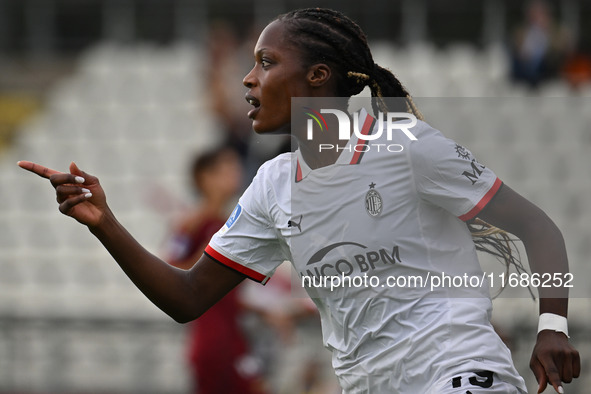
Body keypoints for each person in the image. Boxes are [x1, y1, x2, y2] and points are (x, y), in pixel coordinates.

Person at [18, 8, 580, 394]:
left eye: (265, 63)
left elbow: (536, 226)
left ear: (316, 77)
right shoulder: (272, 184)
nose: (248, 79)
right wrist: (103, 222)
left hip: (457, 372)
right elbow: (188, 296)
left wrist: (553, 325)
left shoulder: (407, 147)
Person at [162, 146, 267, 394]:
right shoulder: (191, 225)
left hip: (235, 337)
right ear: (204, 177)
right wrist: (209, 257)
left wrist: (266, 311)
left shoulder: (229, 224)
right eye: (226, 168)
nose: (236, 172)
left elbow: (226, 293)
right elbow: (169, 270)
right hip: (211, 339)